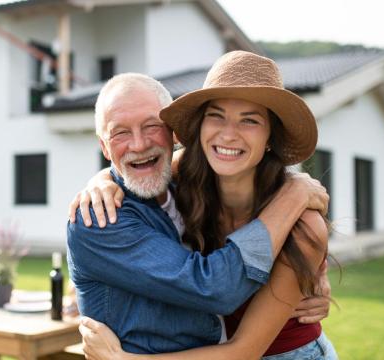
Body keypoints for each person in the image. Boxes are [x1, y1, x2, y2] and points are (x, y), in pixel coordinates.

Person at [75, 51, 338, 359]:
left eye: (250, 120)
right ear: (200, 127)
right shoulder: (189, 175)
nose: (228, 134)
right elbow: (135, 165)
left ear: (270, 137)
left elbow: (244, 351)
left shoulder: (302, 224)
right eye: (216, 115)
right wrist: (100, 181)